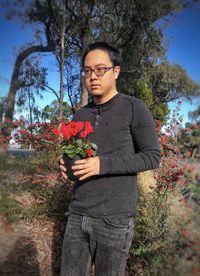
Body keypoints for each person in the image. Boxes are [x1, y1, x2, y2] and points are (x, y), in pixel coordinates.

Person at [59, 41, 160, 276]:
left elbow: (152, 157)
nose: (92, 76)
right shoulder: (80, 114)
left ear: (116, 71)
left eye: (100, 69)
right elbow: (73, 151)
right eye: (87, 70)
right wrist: (64, 164)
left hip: (115, 221)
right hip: (77, 215)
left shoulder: (134, 108)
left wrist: (101, 164)